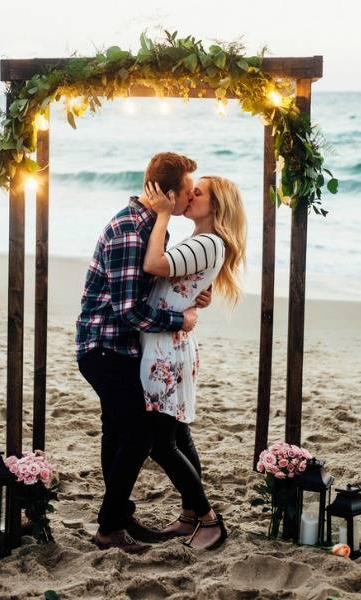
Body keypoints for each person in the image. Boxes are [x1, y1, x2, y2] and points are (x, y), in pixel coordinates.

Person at [75, 152, 209, 554]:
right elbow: (129, 310)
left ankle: (119, 517)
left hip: (121, 347)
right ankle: (109, 526)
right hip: (103, 347)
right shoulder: (131, 231)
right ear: (168, 193)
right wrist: (179, 321)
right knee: (137, 436)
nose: (193, 195)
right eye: (188, 189)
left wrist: (193, 293)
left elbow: (148, 289)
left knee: (118, 432)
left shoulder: (153, 227)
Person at [140, 175, 247, 550]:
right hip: (169, 345)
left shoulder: (206, 242)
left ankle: (209, 520)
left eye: (198, 193)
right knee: (177, 435)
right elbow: (181, 283)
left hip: (168, 350)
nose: (189, 195)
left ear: (215, 206)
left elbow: (155, 264)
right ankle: (189, 516)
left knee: (160, 442)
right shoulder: (203, 243)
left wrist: (162, 215)